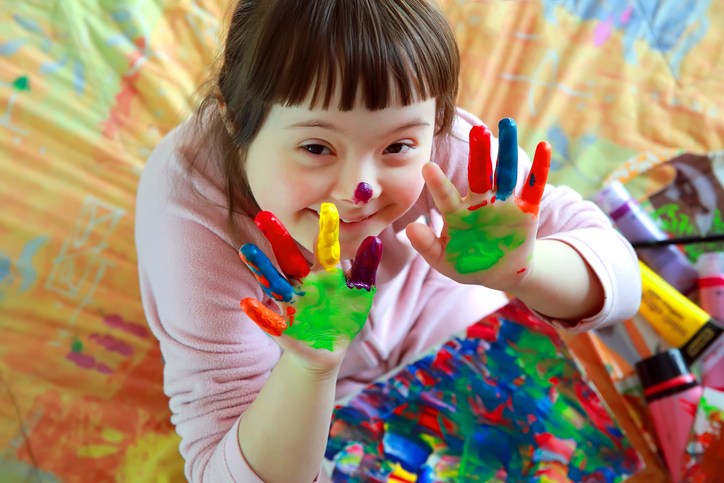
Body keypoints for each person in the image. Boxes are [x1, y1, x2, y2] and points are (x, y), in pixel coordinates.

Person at [134, 0, 641, 481]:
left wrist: (524, 269)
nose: (361, 189)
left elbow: (622, 280)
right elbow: (224, 471)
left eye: (397, 145)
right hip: (295, 392)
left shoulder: (447, 150)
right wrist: (310, 366)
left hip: (442, 316)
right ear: (233, 116)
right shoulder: (189, 220)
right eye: (316, 146)